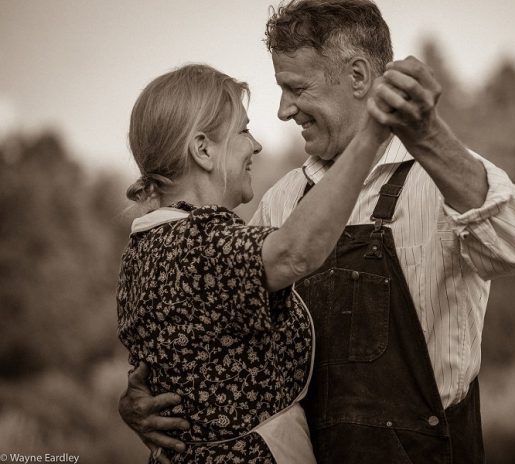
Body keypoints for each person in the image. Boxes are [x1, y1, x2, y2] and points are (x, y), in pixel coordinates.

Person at [119, 1, 515, 463]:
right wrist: (159, 392)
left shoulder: (442, 177)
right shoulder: (281, 202)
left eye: (296, 88)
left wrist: (426, 136)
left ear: (359, 77)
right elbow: (221, 336)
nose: (284, 111)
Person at [117, 63, 389, 463]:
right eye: (243, 131)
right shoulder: (199, 238)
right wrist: (373, 135)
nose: (255, 146)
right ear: (203, 149)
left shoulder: (145, 245)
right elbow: (293, 253)